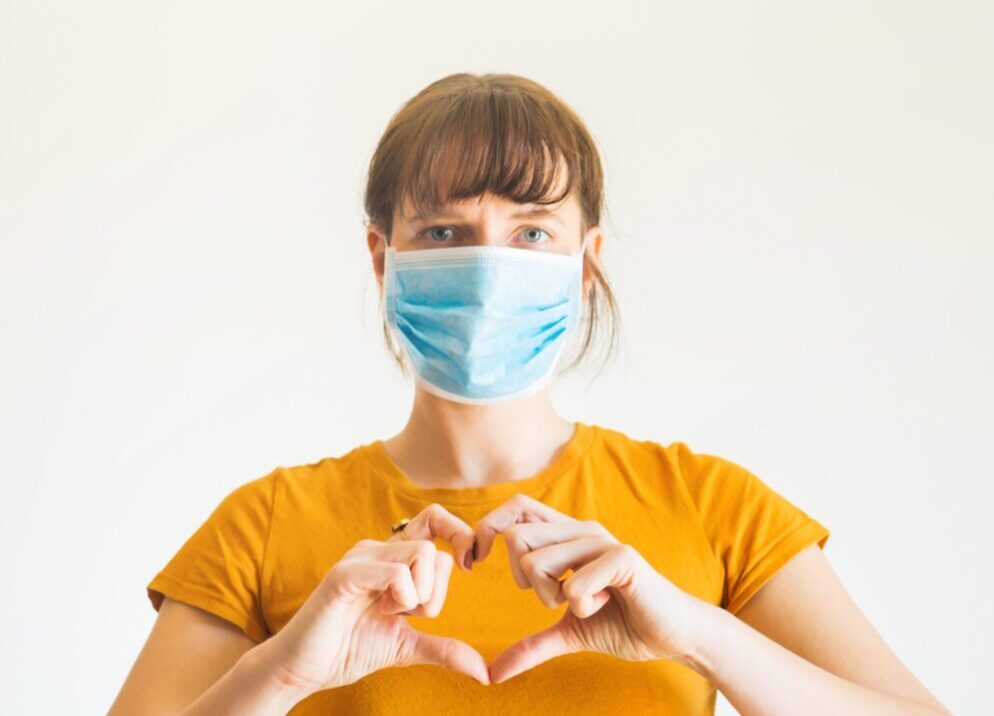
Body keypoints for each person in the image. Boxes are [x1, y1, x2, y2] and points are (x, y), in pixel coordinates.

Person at [109, 73, 951, 716]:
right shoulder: (264, 525)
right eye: (444, 231)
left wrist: (696, 631)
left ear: (584, 265)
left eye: (531, 233)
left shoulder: (713, 507)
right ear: (381, 255)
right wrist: (281, 671)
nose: (487, 265)